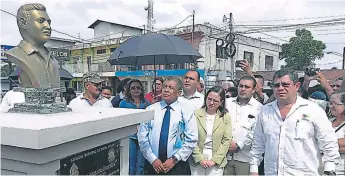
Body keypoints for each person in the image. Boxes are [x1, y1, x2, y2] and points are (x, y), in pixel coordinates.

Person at [249, 69, 340, 175]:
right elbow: (257, 144)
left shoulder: (313, 109)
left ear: (296, 86)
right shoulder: (265, 111)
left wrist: (329, 170)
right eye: (276, 85)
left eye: (285, 84)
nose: (280, 88)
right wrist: (254, 170)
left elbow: (328, 141)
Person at [138, 76, 198, 175]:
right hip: (153, 164)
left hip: (177, 165)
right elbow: (142, 137)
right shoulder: (150, 110)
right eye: (165, 86)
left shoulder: (186, 111)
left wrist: (174, 159)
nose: (166, 90)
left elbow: (192, 138)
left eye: (171, 88)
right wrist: (153, 159)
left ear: (178, 93)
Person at [5, 3, 60, 88]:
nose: (48, 26)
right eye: (41, 21)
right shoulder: (16, 54)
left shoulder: (53, 61)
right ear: (23, 23)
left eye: (49, 22)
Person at [189, 86, 232, 175]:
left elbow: (226, 140)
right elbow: (191, 137)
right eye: (209, 99)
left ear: (221, 102)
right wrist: (199, 158)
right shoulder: (195, 114)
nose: (211, 103)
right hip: (197, 157)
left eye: (215, 101)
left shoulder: (225, 117)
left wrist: (215, 160)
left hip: (216, 159)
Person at [225, 75, 262, 175]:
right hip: (224, 156)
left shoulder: (259, 108)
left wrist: (239, 145)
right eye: (241, 86)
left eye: (247, 87)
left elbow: (256, 132)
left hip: (245, 158)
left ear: (254, 90)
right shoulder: (227, 103)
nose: (243, 89)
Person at [119, 79, 150, 175]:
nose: (135, 90)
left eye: (138, 87)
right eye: (133, 88)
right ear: (129, 90)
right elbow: (121, 120)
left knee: (140, 165)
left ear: (141, 89)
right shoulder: (123, 103)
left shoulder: (146, 103)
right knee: (130, 165)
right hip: (130, 137)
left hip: (143, 137)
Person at [328, 91, 345, 175]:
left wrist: (324, 143)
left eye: (335, 104)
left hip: (341, 170)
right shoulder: (327, 122)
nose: (332, 106)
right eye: (330, 103)